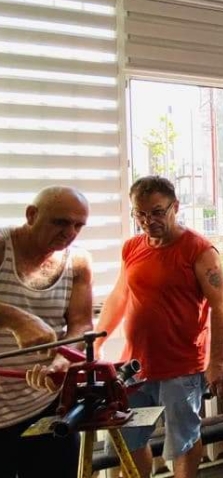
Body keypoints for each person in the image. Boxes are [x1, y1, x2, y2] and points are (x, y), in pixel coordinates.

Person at [95, 176, 223, 478]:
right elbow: (119, 296)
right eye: (140, 214)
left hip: (181, 369)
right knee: (129, 439)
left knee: (183, 442)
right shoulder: (132, 247)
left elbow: (221, 307)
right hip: (135, 367)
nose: (148, 221)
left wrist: (217, 362)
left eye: (157, 212)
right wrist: (97, 341)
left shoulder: (199, 250)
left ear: (175, 207)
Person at [0, 186, 93, 478]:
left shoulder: (78, 262)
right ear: (31, 215)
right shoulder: (2, 246)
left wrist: (64, 360)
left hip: (44, 405)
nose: (70, 233)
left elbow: (81, 324)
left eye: (78, 225)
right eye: (61, 222)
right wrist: (15, 319)